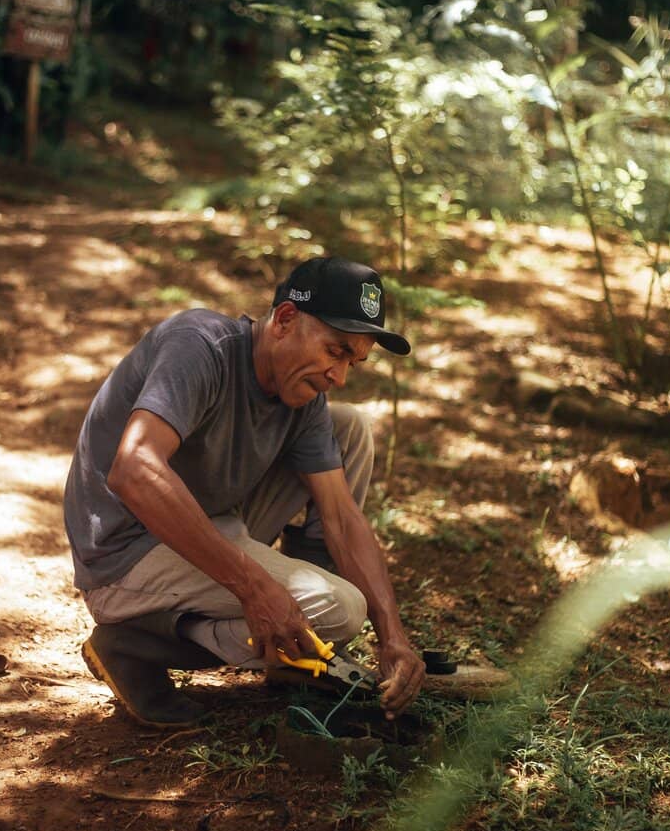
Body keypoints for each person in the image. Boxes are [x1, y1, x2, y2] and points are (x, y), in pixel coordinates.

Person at [64, 255, 426, 726]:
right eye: (336, 351)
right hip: (127, 552)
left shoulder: (304, 392)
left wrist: (393, 636)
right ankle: (133, 644)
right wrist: (257, 590)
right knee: (341, 609)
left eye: (353, 361)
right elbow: (134, 469)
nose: (339, 376)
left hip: (210, 520)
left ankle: (299, 652)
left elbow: (339, 516)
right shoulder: (200, 346)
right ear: (286, 320)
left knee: (349, 427)